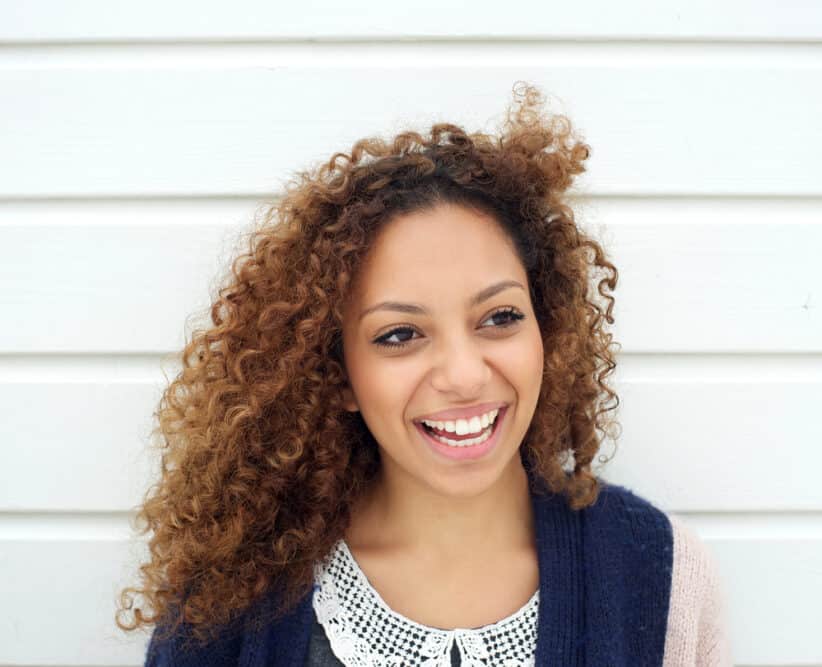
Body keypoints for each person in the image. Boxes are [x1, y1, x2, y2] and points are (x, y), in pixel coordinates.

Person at [116, 82, 732, 666]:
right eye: (399, 335)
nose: (464, 375)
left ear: (550, 329)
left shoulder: (661, 571)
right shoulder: (234, 592)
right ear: (335, 374)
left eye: (499, 317)